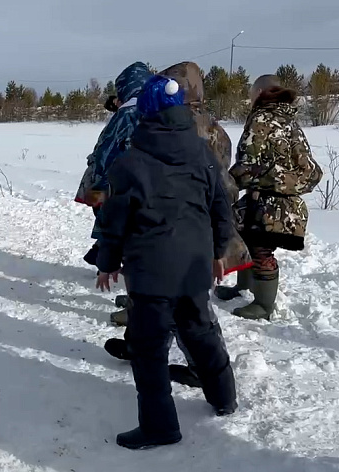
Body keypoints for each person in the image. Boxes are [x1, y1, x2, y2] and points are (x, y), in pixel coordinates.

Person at [96, 75, 237, 450]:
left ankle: (160, 427)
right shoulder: (202, 153)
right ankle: (224, 397)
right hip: (193, 265)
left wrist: (107, 261)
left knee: (148, 347)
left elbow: (115, 220)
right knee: (200, 330)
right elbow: (221, 206)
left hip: (151, 271)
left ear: (145, 113)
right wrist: (219, 250)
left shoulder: (131, 162)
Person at [216, 74, 323, 320]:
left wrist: (227, 185)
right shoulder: (289, 121)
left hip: (270, 204)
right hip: (287, 203)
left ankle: (264, 305)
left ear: (260, 93)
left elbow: (247, 164)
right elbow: (308, 171)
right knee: (242, 235)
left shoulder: (262, 118)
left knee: (260, 248)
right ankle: (243, 287)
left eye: (251, 94)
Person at [74, 62, 152, 265]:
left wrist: (98, 181)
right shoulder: (155, 106)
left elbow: (108, 152)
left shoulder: (127, 113)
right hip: (148, 183)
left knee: (110, 216)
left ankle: (107, 256)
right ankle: (104, 251)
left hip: (116, 180)